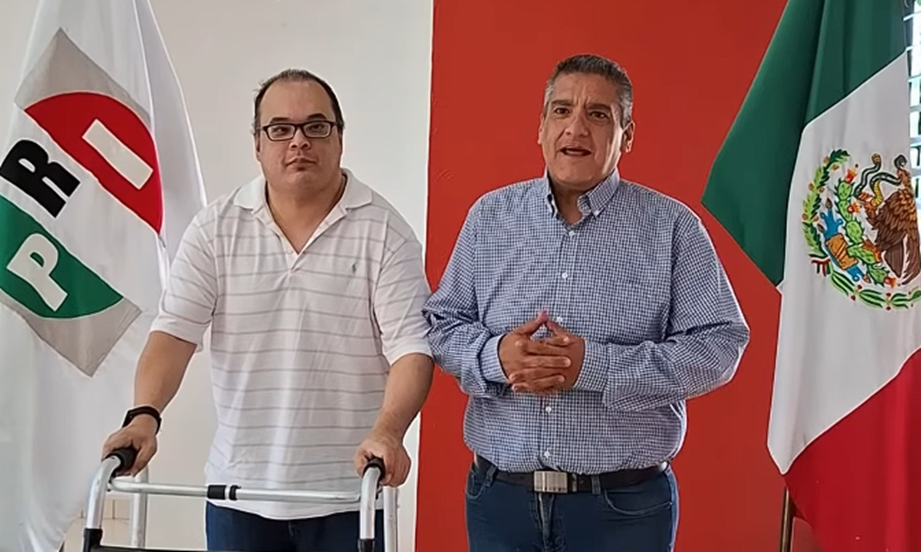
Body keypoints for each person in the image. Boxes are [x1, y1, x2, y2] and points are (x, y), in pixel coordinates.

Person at [422, 53, 750, 551]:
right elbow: (442, 325)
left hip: (624, 509)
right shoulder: (490, 217)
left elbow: (720, 346)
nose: (575, 128)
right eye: (561, 110)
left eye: (598, 114)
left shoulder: (672, 227)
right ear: (541, 127)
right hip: (499, 502)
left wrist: (593, 367)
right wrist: (495, 357)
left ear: (626, 135)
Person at [101, 68, 434, 552]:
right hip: (238, 495)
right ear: (257, 144)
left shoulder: (385, 232)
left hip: (349, 493)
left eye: (316, 126)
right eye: (280, 129)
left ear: (340, 139)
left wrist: (389, 431)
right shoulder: (215, 229)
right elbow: (174, 333)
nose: (299, 141)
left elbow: (411, 350)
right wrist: (143, 416)